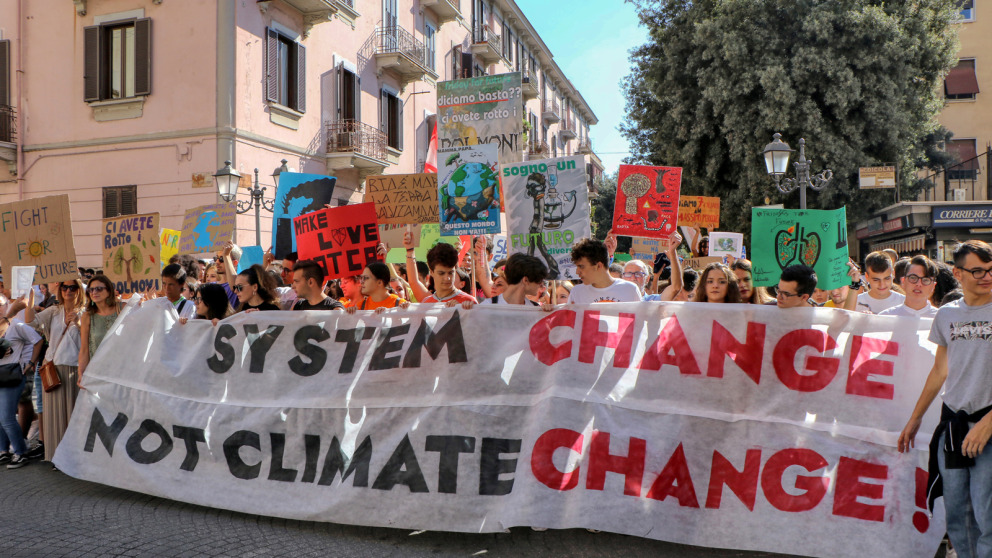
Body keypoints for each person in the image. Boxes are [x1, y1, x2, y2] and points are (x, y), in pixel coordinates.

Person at [898, 240, 992, 558]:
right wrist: (915, 420)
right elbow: (939, 372)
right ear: (958, 273)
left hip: (988, 429)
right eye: (977, 270)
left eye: (991, 270)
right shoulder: (948, 314)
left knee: (987, 516)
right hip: (953, 427)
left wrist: (988, 424)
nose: (986, 276)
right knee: (958, 517)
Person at [24, 279, 86, 462]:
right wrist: (30, 301)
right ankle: (56, 456)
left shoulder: (86, 313)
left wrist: (79, 323)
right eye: (64, 287)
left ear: (79, 290)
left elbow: (90, 341)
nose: (68, 291)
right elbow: (30, 321)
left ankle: (72, 458)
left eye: (72, 287)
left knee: (71, 414)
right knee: (53, 415)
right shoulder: (53, 311)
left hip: (74, 367)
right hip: (52, 367)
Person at [0, 317, 43, 469]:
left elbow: (38, 340)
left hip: (13, 374)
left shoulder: (16, 325)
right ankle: (3, 450)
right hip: (3, 374)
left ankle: (21, 452)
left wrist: (30, 363)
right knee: (1, 416)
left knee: (7, 417)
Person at [567, 238, 642, 303]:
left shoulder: (630, 289)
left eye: (581, 266)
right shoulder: (576, 292)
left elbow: (640, 318)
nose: (577, 272)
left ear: (599, 265)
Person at [408, 242, 478, 305]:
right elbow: (413, 282)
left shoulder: (469, 302)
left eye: (451, 272)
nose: (447, 278)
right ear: (432, 272)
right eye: (441, 273)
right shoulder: (426, 302)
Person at [79, 275, 122, 377]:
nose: (94, 292)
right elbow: (84, 349)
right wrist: (81, 372)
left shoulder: (121, 309)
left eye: (99, 289)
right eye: (91, 289)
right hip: (97, 371)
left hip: (121, 371)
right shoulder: (87, 315)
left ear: (109, 291)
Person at [466, 253, 547, 307]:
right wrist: (466, 310)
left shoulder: (535, 308)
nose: (540, 284)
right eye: (538, 280)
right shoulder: (488, 307)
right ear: (525, 280)